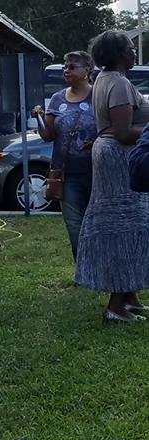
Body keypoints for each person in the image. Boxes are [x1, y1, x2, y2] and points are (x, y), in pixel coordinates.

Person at [75, 30, 149, 322]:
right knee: (124, 227)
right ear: (119, 54)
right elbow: (122, 132)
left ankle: (129, 298)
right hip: (119, 156)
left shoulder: (105, 79)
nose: (134, 53)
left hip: (110, 154)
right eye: (130, 48)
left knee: (130, 226)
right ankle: (116, 305)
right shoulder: (118, 83)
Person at [31, 51, 96, 259]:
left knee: (95, 220)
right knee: (74, 223)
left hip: (97, 170)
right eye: (65, 67)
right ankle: (83, 267)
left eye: (72, 66)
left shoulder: (99, 96)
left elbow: (110, 129)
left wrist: (96, 143)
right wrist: (40, 118)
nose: (66, 70)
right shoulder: (58, 99)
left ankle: (100, 265)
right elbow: (48, 135)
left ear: (87, 70)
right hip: (65, 173)